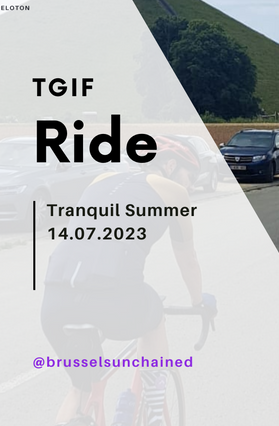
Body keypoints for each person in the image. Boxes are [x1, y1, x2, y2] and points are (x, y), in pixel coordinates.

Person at [41, 136, 208, 426]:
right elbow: (187, 256)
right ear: (170, 165)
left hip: (55, 300)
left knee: (80, 389)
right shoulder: (174, 192)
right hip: (112, 297)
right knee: (154, 315)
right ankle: (155, 411)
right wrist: (200, 302)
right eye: (190, 176)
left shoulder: (100, 180)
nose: (191, 185)